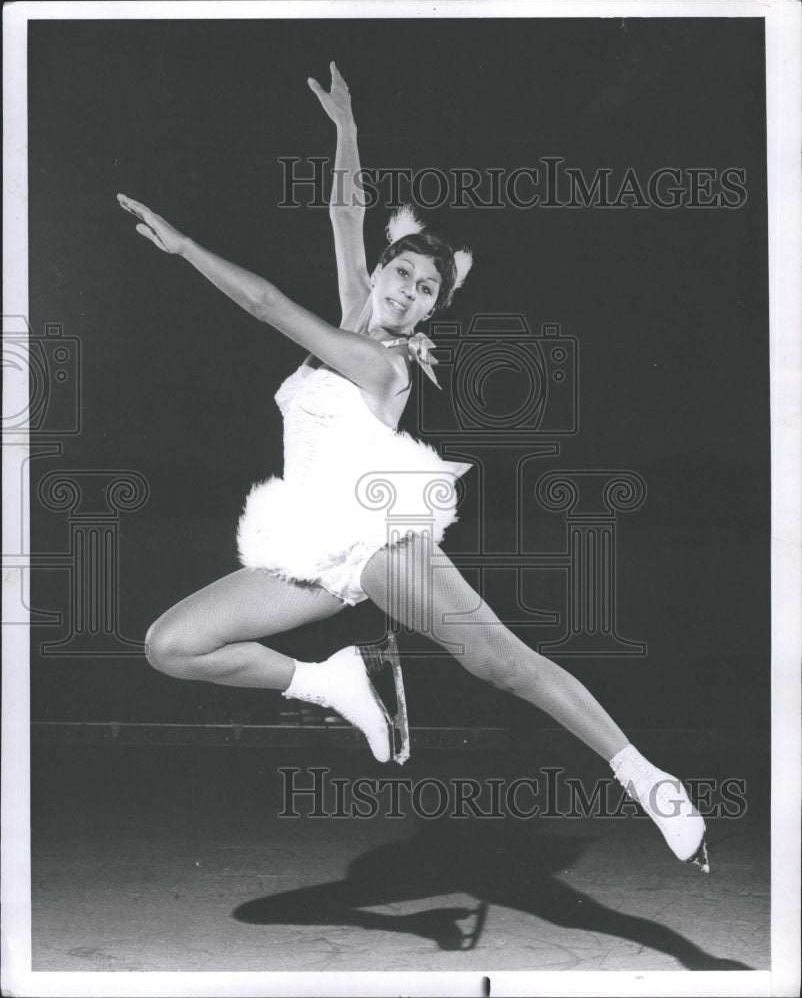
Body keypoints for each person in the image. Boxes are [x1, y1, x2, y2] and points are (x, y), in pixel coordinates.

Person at [118, 63, 708, 873]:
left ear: (432, 308)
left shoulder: (382, 366)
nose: (408, 290)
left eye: (426, 288)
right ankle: (332, 685)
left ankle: (647, 779)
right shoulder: (353, 318)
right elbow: (343, 207)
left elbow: (263, 304)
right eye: (401, 272)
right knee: (172, 645)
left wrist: (183, 246)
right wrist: (348, 129)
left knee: (503, 664)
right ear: (379, 273)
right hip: (312, 544)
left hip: (381, 542)